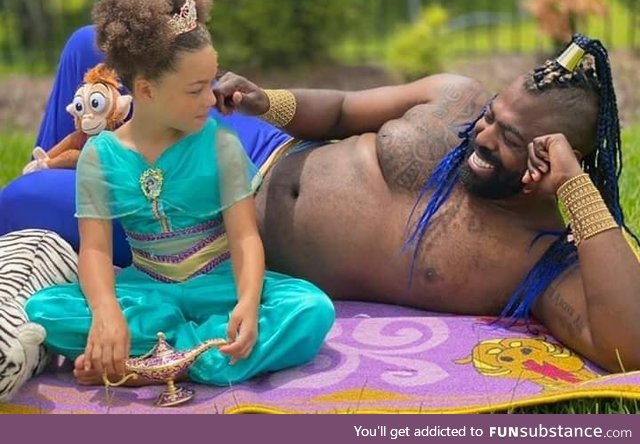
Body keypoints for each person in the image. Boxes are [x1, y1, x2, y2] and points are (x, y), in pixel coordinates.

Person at [1, 24, 638, 374]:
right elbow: (339, 109)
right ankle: (65, 160)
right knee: (92, 46)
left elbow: (626, 346)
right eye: (494, 115)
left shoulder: (542, 261)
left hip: (208, 225)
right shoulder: (457, 99)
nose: (484, 134)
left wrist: (579, 197)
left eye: (509, 138)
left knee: (23, 199)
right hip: (251, 144)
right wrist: (265, 101)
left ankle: (49, 200)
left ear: (556, 161)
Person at [20, 0, 335, 386]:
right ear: (146, 91)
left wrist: (247, 300)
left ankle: (144, 363)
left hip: (220, 288)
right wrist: (107, 313)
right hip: (147, 291)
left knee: (310, 309)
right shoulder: (100, 156)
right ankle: (197, 354)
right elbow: (94, 252)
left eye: (212, 83)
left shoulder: (219, 143)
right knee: (46, 309)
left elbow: (244, 238)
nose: (212, 99)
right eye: (195, 89)